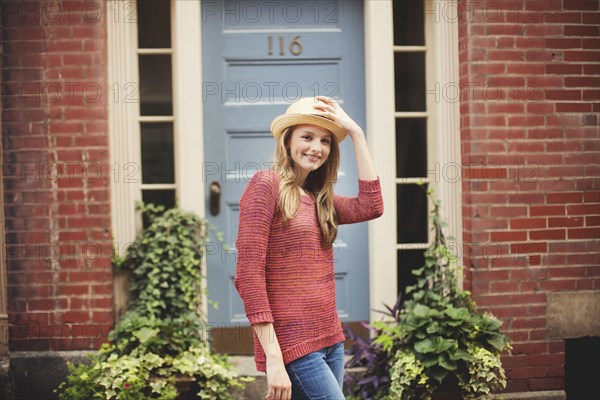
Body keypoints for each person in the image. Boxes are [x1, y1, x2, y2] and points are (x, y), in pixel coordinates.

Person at [234, 96, 384, 400]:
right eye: (307, 136)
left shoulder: (319, 199)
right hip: (293, 345)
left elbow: (371, 206)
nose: (317, 147)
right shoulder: (266, 186)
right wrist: (274, 358)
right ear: (287, 140)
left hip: (331, 339)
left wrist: (356, 132)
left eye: (325, 140)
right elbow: (248, 276)